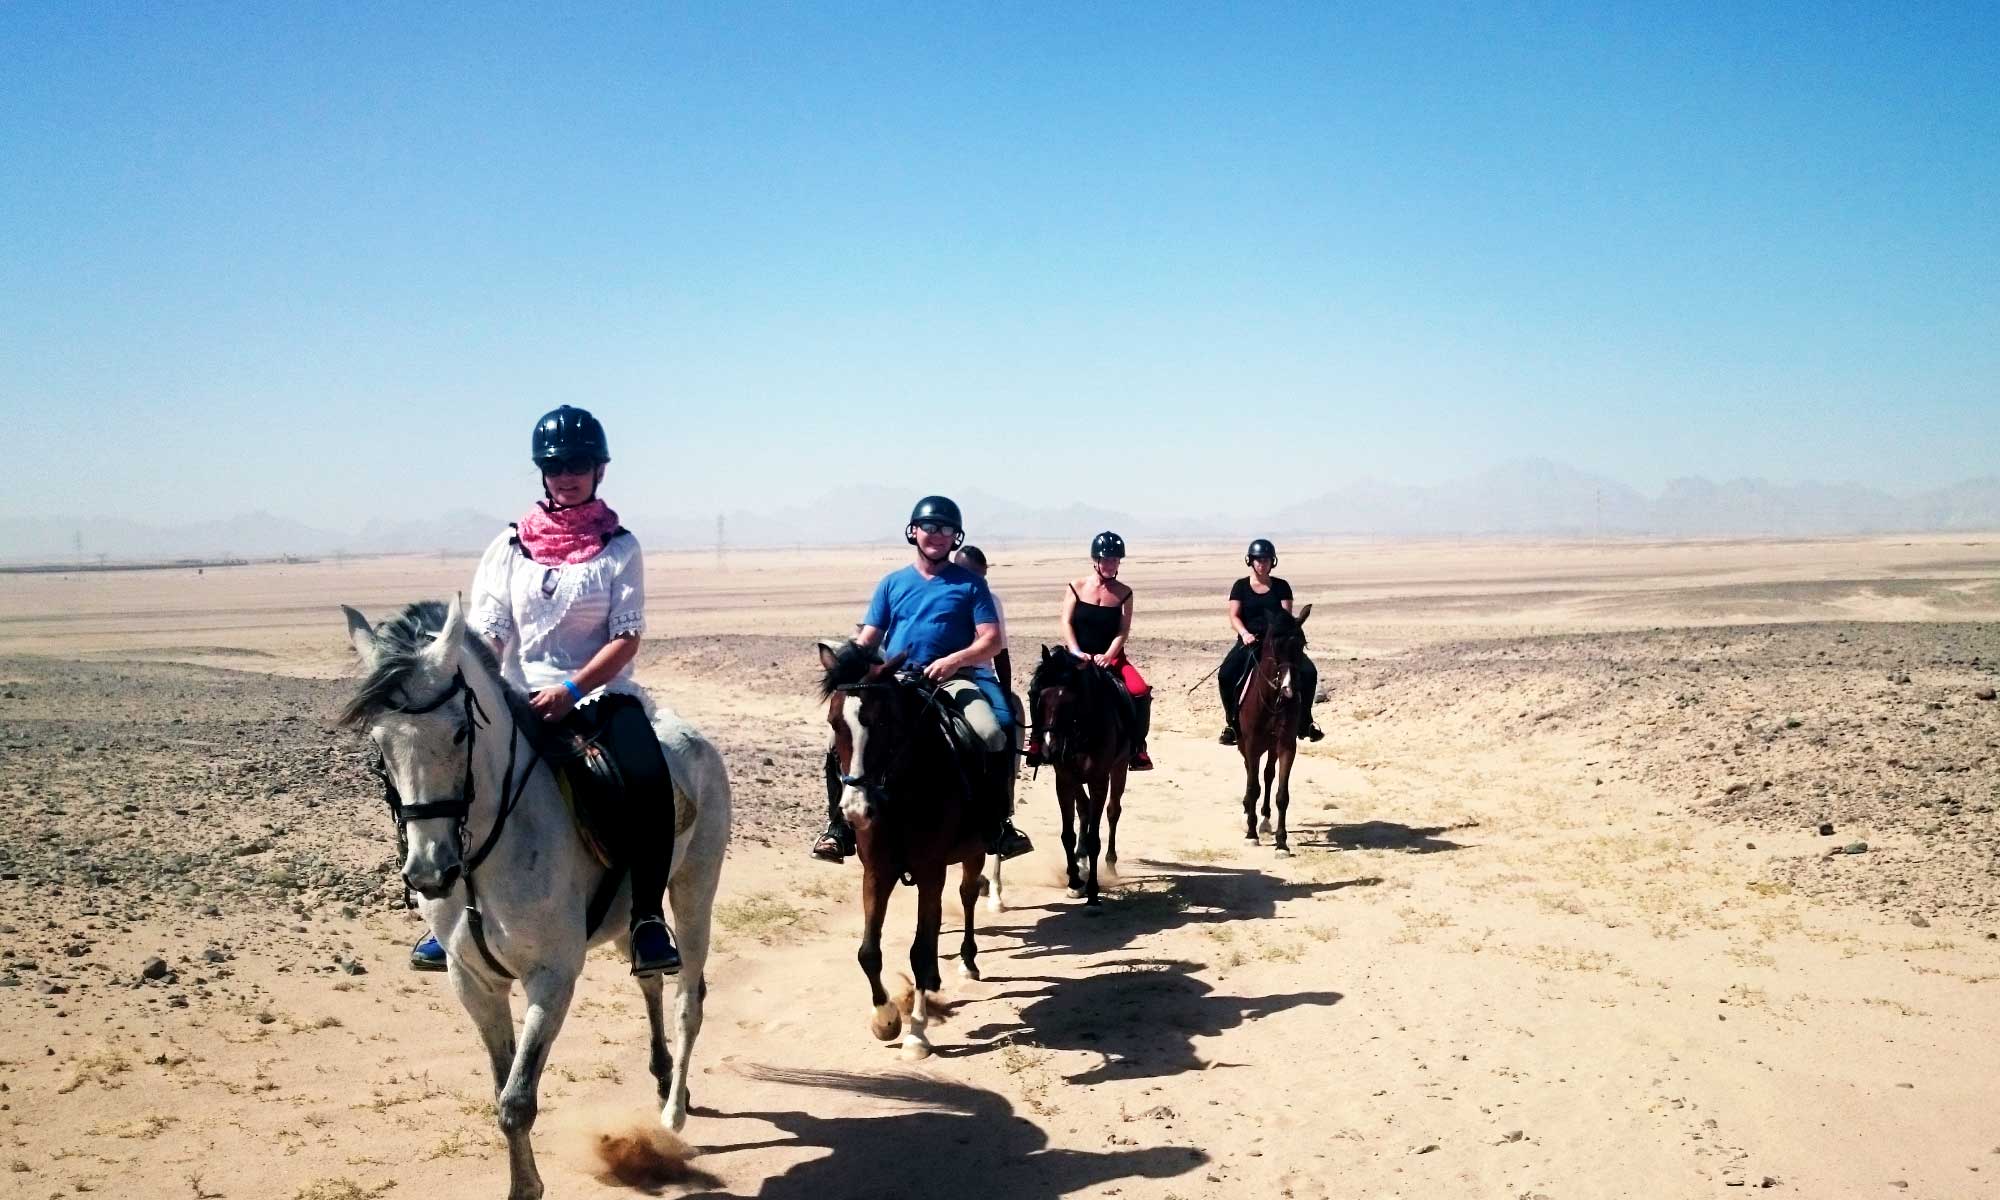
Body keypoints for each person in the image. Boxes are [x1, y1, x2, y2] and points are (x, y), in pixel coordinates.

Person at [409, 405, 681, 977]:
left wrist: (570, 689)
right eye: (556, 466)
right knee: (453, 775)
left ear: (599, 469)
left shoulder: (620, 548)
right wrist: (486, 686)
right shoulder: (509, 547)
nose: (566, 476)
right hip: (515, 696)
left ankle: (647, 920)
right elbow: (490, 633)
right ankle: (449, 916)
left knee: (649, 777)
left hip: (599, 695)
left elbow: (626, 638)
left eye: (578, 464)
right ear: (542, 472)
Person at [809, 496, 1033, 862]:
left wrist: (953, 660)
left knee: (993, 732)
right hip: (897, 682)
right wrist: (845, 662)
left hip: (953, 680)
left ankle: (998, 825)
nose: (938, 535)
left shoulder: (971, 585)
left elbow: (991, 640)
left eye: (947, 529)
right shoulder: (892, 583)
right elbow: (869, 639)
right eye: (930, 527)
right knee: (838, 742)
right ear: (914, 531)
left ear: (956, 537)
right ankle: (838, 830)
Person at [1028, 531, 1153, 769]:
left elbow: (1123, 631)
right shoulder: (1076, 587)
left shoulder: (1124, 592)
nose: (1111, 564)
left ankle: (1138, 748)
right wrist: (1076, 651)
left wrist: (1109, 655)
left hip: (1111, 657)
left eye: (1115, 560)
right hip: (1074, 658)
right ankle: (1036, 741)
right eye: (1106, 559)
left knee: (1139, 691)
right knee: (1039, 686)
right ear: (1095, 559)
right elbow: (1066, 622)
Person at [1217, 538, 1323, 745]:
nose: (1262, 564)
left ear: (1272, 562)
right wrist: (1245, 634)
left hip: (1277, 644)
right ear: (1250, 561)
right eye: (1258, 560)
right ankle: (1232, 724)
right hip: (1249, 642)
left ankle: (1306, 721)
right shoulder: (1240, 586)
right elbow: (1234, 616)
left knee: (1309, 672)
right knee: (1225, 675)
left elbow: (1285, 618)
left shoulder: (1282, 587)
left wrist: (1275, 637)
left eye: (1266, 560)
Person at [952, 545, 1012, 695]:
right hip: (946, 672)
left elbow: (1001, 652)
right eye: (969, 575)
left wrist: (1006, 692)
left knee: (1001, 711)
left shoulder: (991, 601)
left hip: (980, 674)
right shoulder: (944, 599)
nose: (977, 582)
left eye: (980, 576)